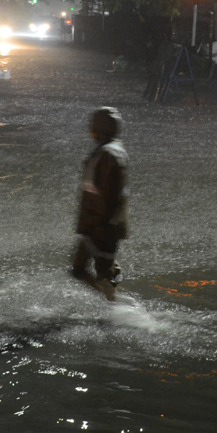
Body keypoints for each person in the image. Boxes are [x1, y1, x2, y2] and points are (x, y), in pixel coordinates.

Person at [71, 107, 128, 301]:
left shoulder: (107, 154)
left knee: (89, 271)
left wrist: (97, 226)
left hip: (100, 226)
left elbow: (108, 195)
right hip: (99, 225)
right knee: (88, 269)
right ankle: (112, 296)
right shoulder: (111, 150)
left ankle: (116, 305)